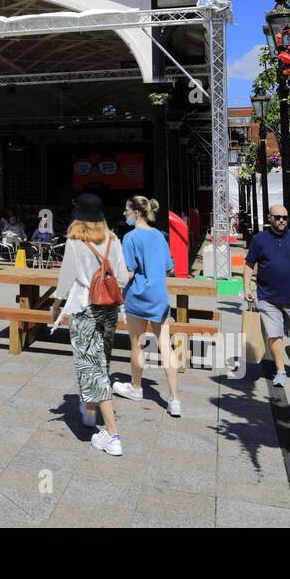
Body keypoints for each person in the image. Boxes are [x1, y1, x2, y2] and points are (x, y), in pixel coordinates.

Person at [52, 193, 129, 455]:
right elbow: (122, 278)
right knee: (102, 364)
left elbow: (65, 279)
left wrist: (56, 305)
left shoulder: (75, 242)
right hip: (109, 310)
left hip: (84, 310)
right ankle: (91, 410)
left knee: (91, 368)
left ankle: (112, 434)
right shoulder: (114, 240)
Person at [111, 196, 183, 417]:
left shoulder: (130, 238)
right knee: (166, 346)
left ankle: (136, 387)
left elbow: (129, 272)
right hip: (159, 297)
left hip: (138, 297)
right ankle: (174, 399)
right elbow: (170, 268)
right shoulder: (160, 236)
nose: (124, 214)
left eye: (127, 210)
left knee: (137, 344)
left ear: (136, 212)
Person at [243, 205, 290, 388]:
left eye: (285, 217)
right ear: (269, 218)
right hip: (268, 296)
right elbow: (249, 264)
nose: (282, 220)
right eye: (277, 217)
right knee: (274, 334)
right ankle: (280, 371)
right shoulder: (259, 240)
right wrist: (246, 287)